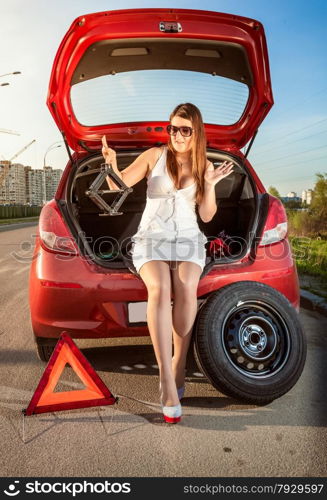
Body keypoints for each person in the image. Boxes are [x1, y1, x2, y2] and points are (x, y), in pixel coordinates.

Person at [102, 102, 234, 424]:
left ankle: (179, 363)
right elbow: (116, 186)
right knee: (160, 289)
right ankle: (166, 379)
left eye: (184, 129)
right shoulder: (153, 156)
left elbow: (205, 216)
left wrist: (211, 186)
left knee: (187, 286)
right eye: (172, 128)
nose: (176, 135)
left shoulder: (204, 167)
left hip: (189, 239)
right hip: (151, 237)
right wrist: (111, 166)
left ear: (195, 132)